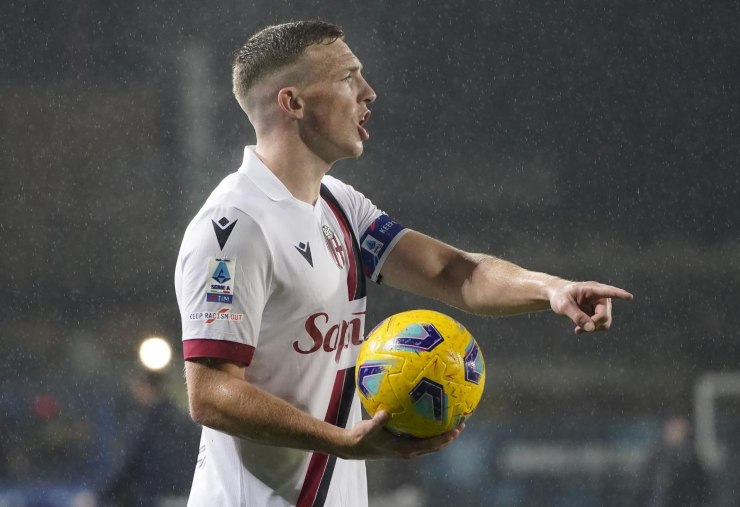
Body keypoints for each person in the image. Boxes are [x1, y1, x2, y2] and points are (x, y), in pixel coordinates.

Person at [173, 20, 633, 507]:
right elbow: (212, 393)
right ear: (293, 103)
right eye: (348, 78)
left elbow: (454, 272)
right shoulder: (234, 227)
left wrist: (551, 289)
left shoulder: (338, 206)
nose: (368, 93)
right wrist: (343, 443)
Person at [97, 371, 200, 506]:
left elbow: (129, 463)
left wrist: (102, 495)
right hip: (185, 497)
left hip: (151, 498)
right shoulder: (181, 420)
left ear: (145, 387)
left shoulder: (144, 423)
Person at [634, 415, 711, 507]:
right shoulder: (658, 454)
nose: (678, 433)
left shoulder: (689, 455)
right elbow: (646, 485)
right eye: (676, 429)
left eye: (681, 430)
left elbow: (700, 485)